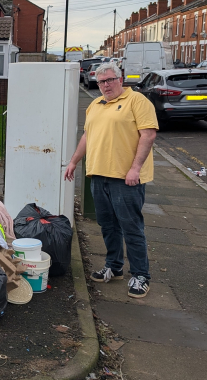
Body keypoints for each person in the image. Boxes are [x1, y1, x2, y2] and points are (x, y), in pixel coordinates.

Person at [64, 62, 158, 298]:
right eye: (100, 81)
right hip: (99, 176)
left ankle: (140, 275)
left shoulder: (137, 101)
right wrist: (74, 161)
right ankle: (114, 266)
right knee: (108, 226)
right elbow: (88, 135)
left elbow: (148, 135)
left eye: (109, 80)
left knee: (131, 227)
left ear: (120, 78)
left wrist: (135, 168)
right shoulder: (95, 105)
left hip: (125, 178)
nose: (105, 85)